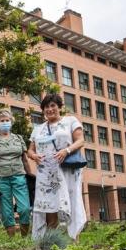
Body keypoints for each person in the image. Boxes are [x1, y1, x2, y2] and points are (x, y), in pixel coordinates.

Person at [27, 93, 87, 240]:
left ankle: (75, 242)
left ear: (59, 107)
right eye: (46, 107)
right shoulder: (38, 128)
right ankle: (51, 241)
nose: (50, 109)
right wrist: (34, 156)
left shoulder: (70, 121)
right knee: (49, 206)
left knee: (71, 203)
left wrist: (66, 151)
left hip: (67, 170)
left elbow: (80, 141)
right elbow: (30, 150)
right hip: (46, 174)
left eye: (53, 105)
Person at [0, 109, 31, 237]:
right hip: (0, 178)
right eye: (2, 121)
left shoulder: (18, 138)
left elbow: (25, 160)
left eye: (7, 120)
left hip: (19, 176)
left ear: (11, 122)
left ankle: (24, 238)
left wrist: (31, 177)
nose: (5, 123)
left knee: (24, 209)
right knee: (6, 211)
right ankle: (12, 240)